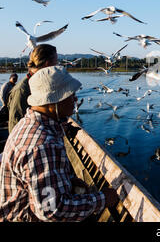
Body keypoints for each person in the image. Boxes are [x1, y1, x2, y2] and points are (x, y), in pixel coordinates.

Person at [0, 66, 119, 222]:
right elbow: (53, 211)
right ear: (53, 100)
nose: (75, 99)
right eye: (71, 94)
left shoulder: (27, 123)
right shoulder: (42, 145)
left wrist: (67, 181)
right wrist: (103, 199)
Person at [7, 44, 58, 133]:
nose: (57, 65)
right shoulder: (22, 89)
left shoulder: (39, 83)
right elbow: (15, 123)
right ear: (47, 64)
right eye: (56, 61)